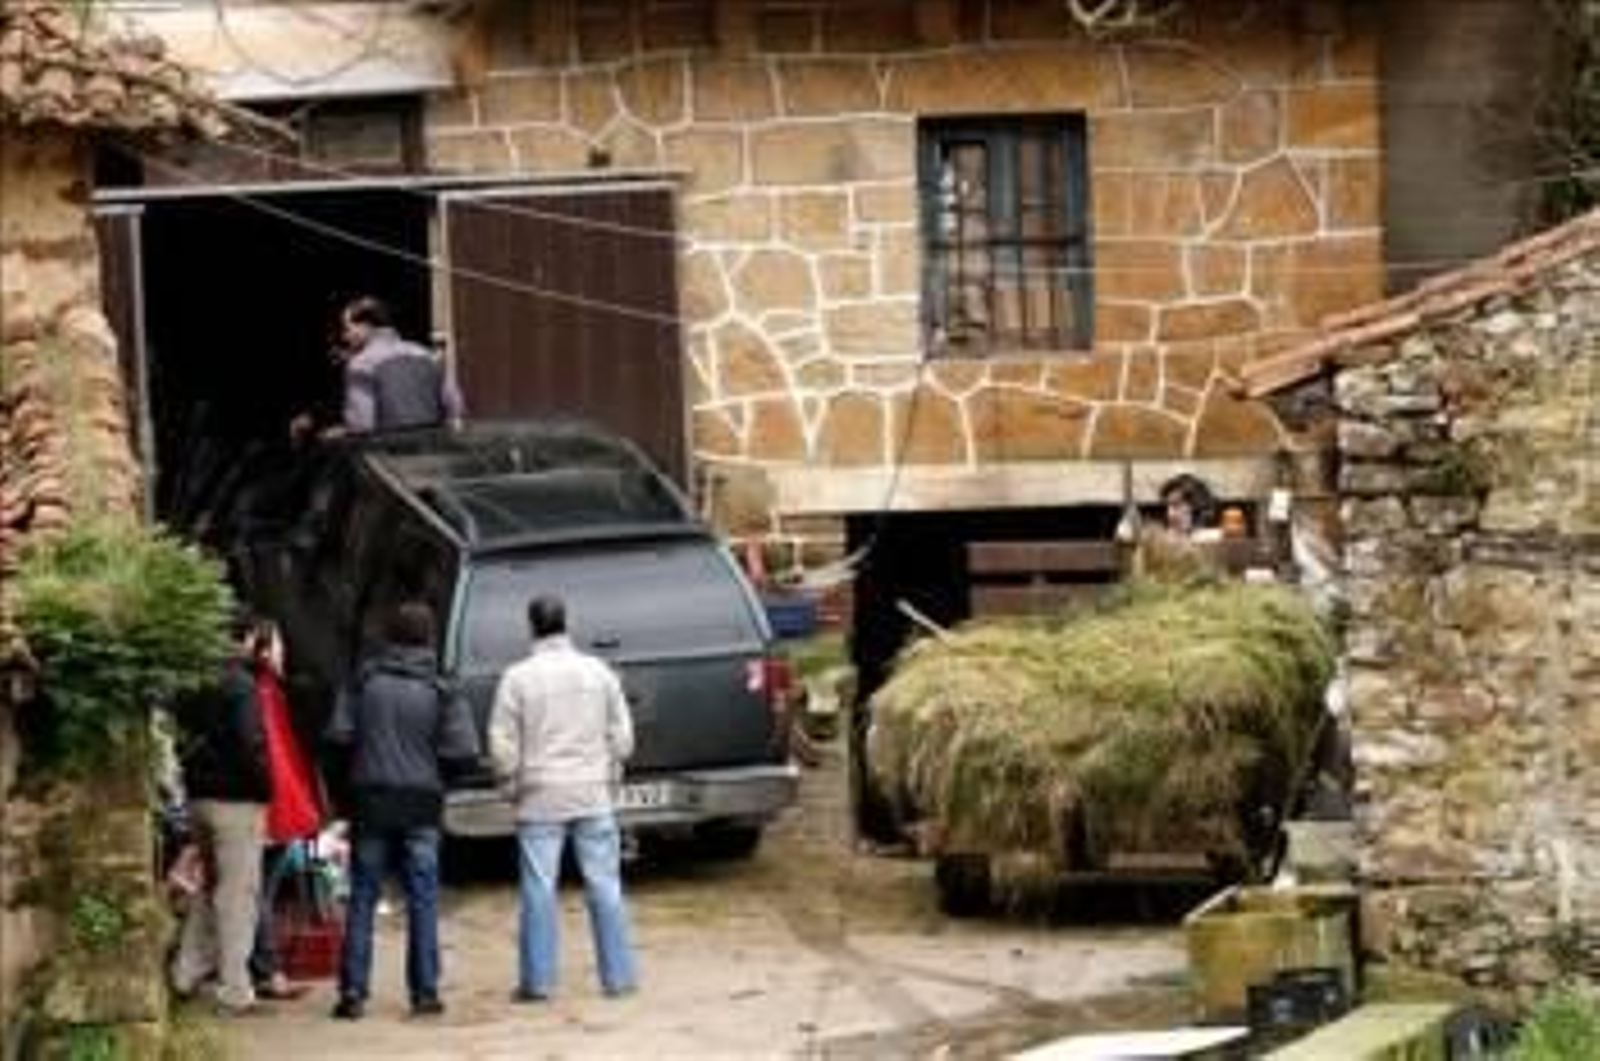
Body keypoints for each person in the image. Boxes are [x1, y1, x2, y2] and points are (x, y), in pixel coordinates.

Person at [323, 601, 479, 1020]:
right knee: (423, 898)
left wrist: (347, 787)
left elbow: (337, 738)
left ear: (388, 636)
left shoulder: (362, 683)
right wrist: (439, 779)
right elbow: (465, 752)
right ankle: (425, 992)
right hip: (422, 803)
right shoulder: (442, 689)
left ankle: (352, 992)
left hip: (370, 800)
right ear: (430, 637)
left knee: (363, 895)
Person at [489, 594, 639, 1002]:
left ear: (530, 627)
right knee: (604, 884)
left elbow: (502, 746)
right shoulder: (598, 671)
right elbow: (623, 738)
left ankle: (538, 982)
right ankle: (618, 978)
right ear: (567, 623)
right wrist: (611, 771)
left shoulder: (516, 678)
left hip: (539, 795)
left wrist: (510, 786)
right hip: (592, 791)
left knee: (539, 890)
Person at [170, 608, 273, 1015]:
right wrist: (265, 788)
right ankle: (235, 989)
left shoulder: (191, 679)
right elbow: (251, 744)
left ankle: (185, 972)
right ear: (245, 637)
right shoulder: (240, 683)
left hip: (199, 797)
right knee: (237, 896)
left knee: (210, 889)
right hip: (237, 802)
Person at [247, 618, 321, 1001]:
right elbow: (278, 761)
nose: (283, 652)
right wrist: (297, 811)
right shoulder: (264, 694)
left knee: (259, 890)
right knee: (259, 891)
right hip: (277, 808)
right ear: (262, 651)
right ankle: (268, 971)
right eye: (277, 645)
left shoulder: (269, 691)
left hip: (277, 806)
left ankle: (263, 967)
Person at [336, 296, 464, 435]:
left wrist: (341, 432)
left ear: (364, 326)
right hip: (433, 445)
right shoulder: (428, 356)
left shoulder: (361, 365)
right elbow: (455, 408)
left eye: (347, 329)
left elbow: (362, 426)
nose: (344, 336)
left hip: (389, 447)